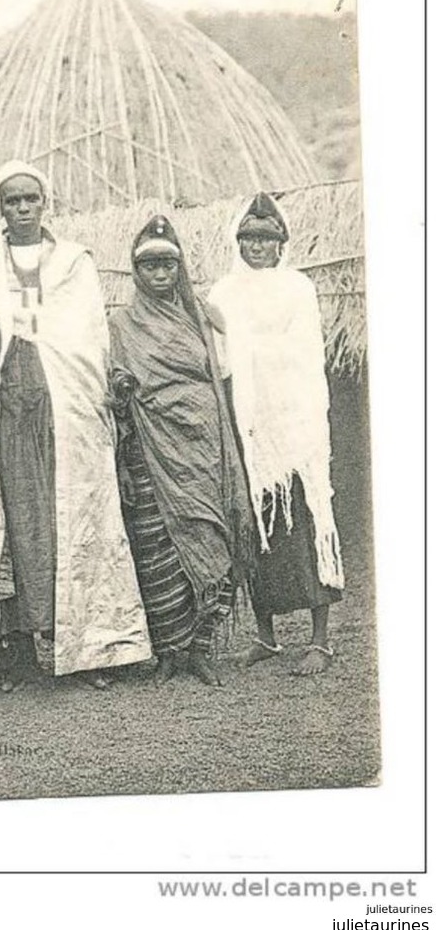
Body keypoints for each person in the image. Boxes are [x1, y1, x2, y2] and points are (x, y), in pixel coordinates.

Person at [0, 159, 152, 689]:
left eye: (30, 200)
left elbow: (80, 331)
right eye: (12, 201)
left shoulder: (73, 262)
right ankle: (20, 653)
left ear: (46, 204)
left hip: (69, 410)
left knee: (81, 519)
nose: (22, 209)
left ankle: (94, 650)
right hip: (12, 411)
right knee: (22, 525)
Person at [108, 215, 254, 686]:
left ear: (179, 267)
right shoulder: (121, 323)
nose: (159, 275)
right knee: (157, 548)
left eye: (167, 265)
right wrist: (122, 387)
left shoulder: (202, 317)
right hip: (151, 449)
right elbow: (115, 386)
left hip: (204, 446)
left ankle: (202, 648)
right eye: (149, 267)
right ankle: (170, 651)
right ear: (136, 272)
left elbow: (225, 375)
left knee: (212, 535)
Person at [208, 192, 344, 676]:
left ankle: (320, 639)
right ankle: (265, 636)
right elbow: (219, 357)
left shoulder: (297, 289)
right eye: (247, 237)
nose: (255, 246)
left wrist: (250, 347)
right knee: (253, 529)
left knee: (306, 523)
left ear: (281, 242)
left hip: (293, 425)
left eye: (265, 238)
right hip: (248, 424)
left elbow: (305, 352)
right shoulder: (222, 293)